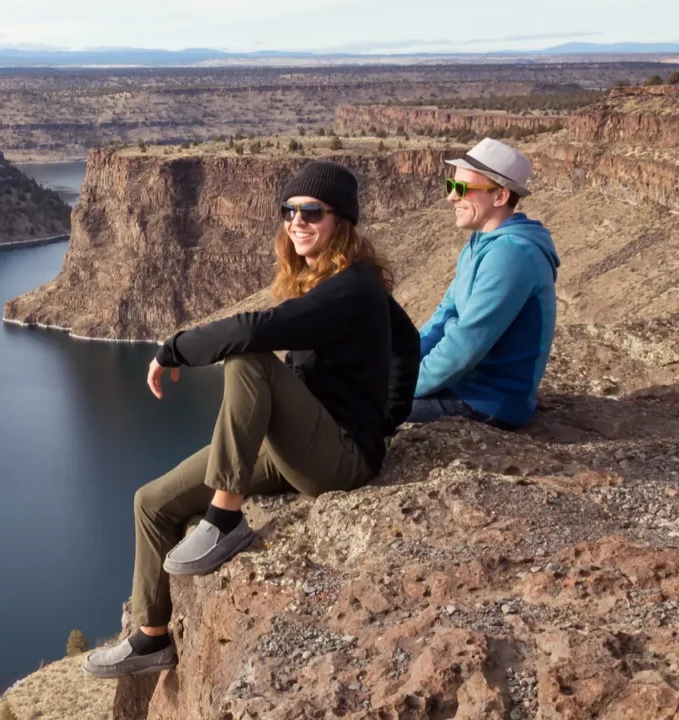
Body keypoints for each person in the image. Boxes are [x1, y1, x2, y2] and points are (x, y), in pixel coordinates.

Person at [82, 161, 421, 679]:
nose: (297, 221)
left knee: (251, 359)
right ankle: (150, 637)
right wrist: (392, 415)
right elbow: (409, 342)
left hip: (340, 461)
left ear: (342, 222)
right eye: (289, 210)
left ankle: (224, 518)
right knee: (151, 503)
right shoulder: (334, 282)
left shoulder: (354, 287)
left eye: (312, 212)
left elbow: (256, 329)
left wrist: (173, 349)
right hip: (299, 447)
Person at [409, 138, 560, 430]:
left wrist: (403, 388)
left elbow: (465, 343)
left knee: (362, 408)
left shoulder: (512, 254)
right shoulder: (479, 244)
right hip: (465, 386)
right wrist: (399, 364)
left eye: (462, 188)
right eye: (450, 186)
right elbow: (444, 317)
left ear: (500, 196)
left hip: (488, 402)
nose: (451, 197)